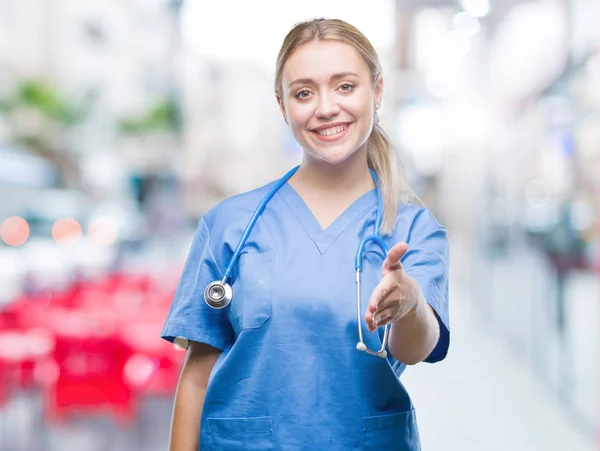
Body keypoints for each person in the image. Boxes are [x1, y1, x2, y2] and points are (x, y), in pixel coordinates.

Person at [161, 17, 449, 451]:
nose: (326, 107)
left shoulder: (412, 229)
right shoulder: (229, 225)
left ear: (378, 91)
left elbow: (415, 348)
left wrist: (409, 304)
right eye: (304, 93)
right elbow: (198, 377)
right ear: (283, 106)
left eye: (345, 86)